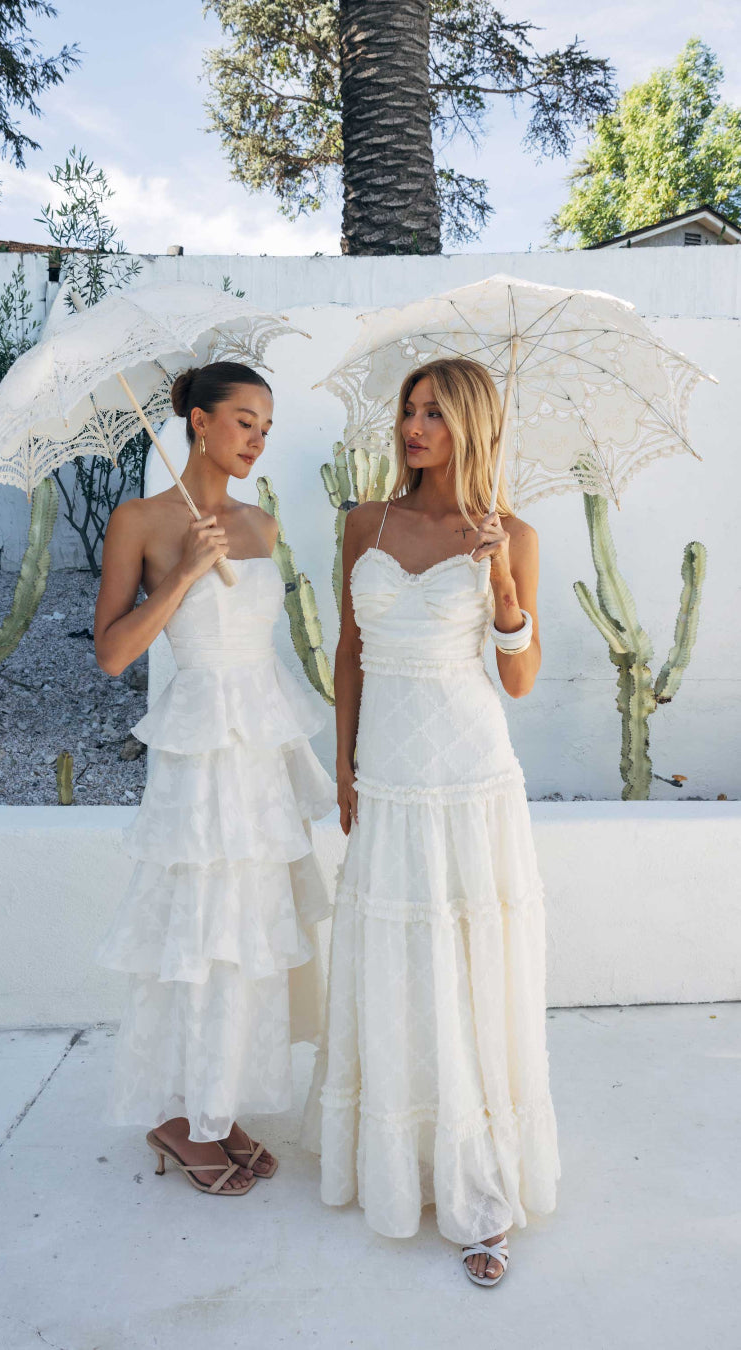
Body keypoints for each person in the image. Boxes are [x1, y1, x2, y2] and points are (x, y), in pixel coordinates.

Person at [301, 357, 560, 1284]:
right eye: (409, 411)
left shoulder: (514, 534)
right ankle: (404, 1160)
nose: (413, 429)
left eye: (435, 415)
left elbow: (520, 681)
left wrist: (500, 590)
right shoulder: (361, 523)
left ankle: (481, 1189)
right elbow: (349, 649)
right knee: (398, 963)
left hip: (471, 777)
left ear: (473, 427)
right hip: (391, 774)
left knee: (471, 972)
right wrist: (343, 763)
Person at [94, 361, 335, 1196]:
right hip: (197, 759)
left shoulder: (262, 526)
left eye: (267, 426)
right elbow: (114, 653)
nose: (258, 440)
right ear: (197, 420)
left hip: (258, 754)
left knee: (251, 928)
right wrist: (189, 571)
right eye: (243, 421)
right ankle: (185, 1115)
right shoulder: (140, 520)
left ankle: (218, 1108)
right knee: (203, 931)